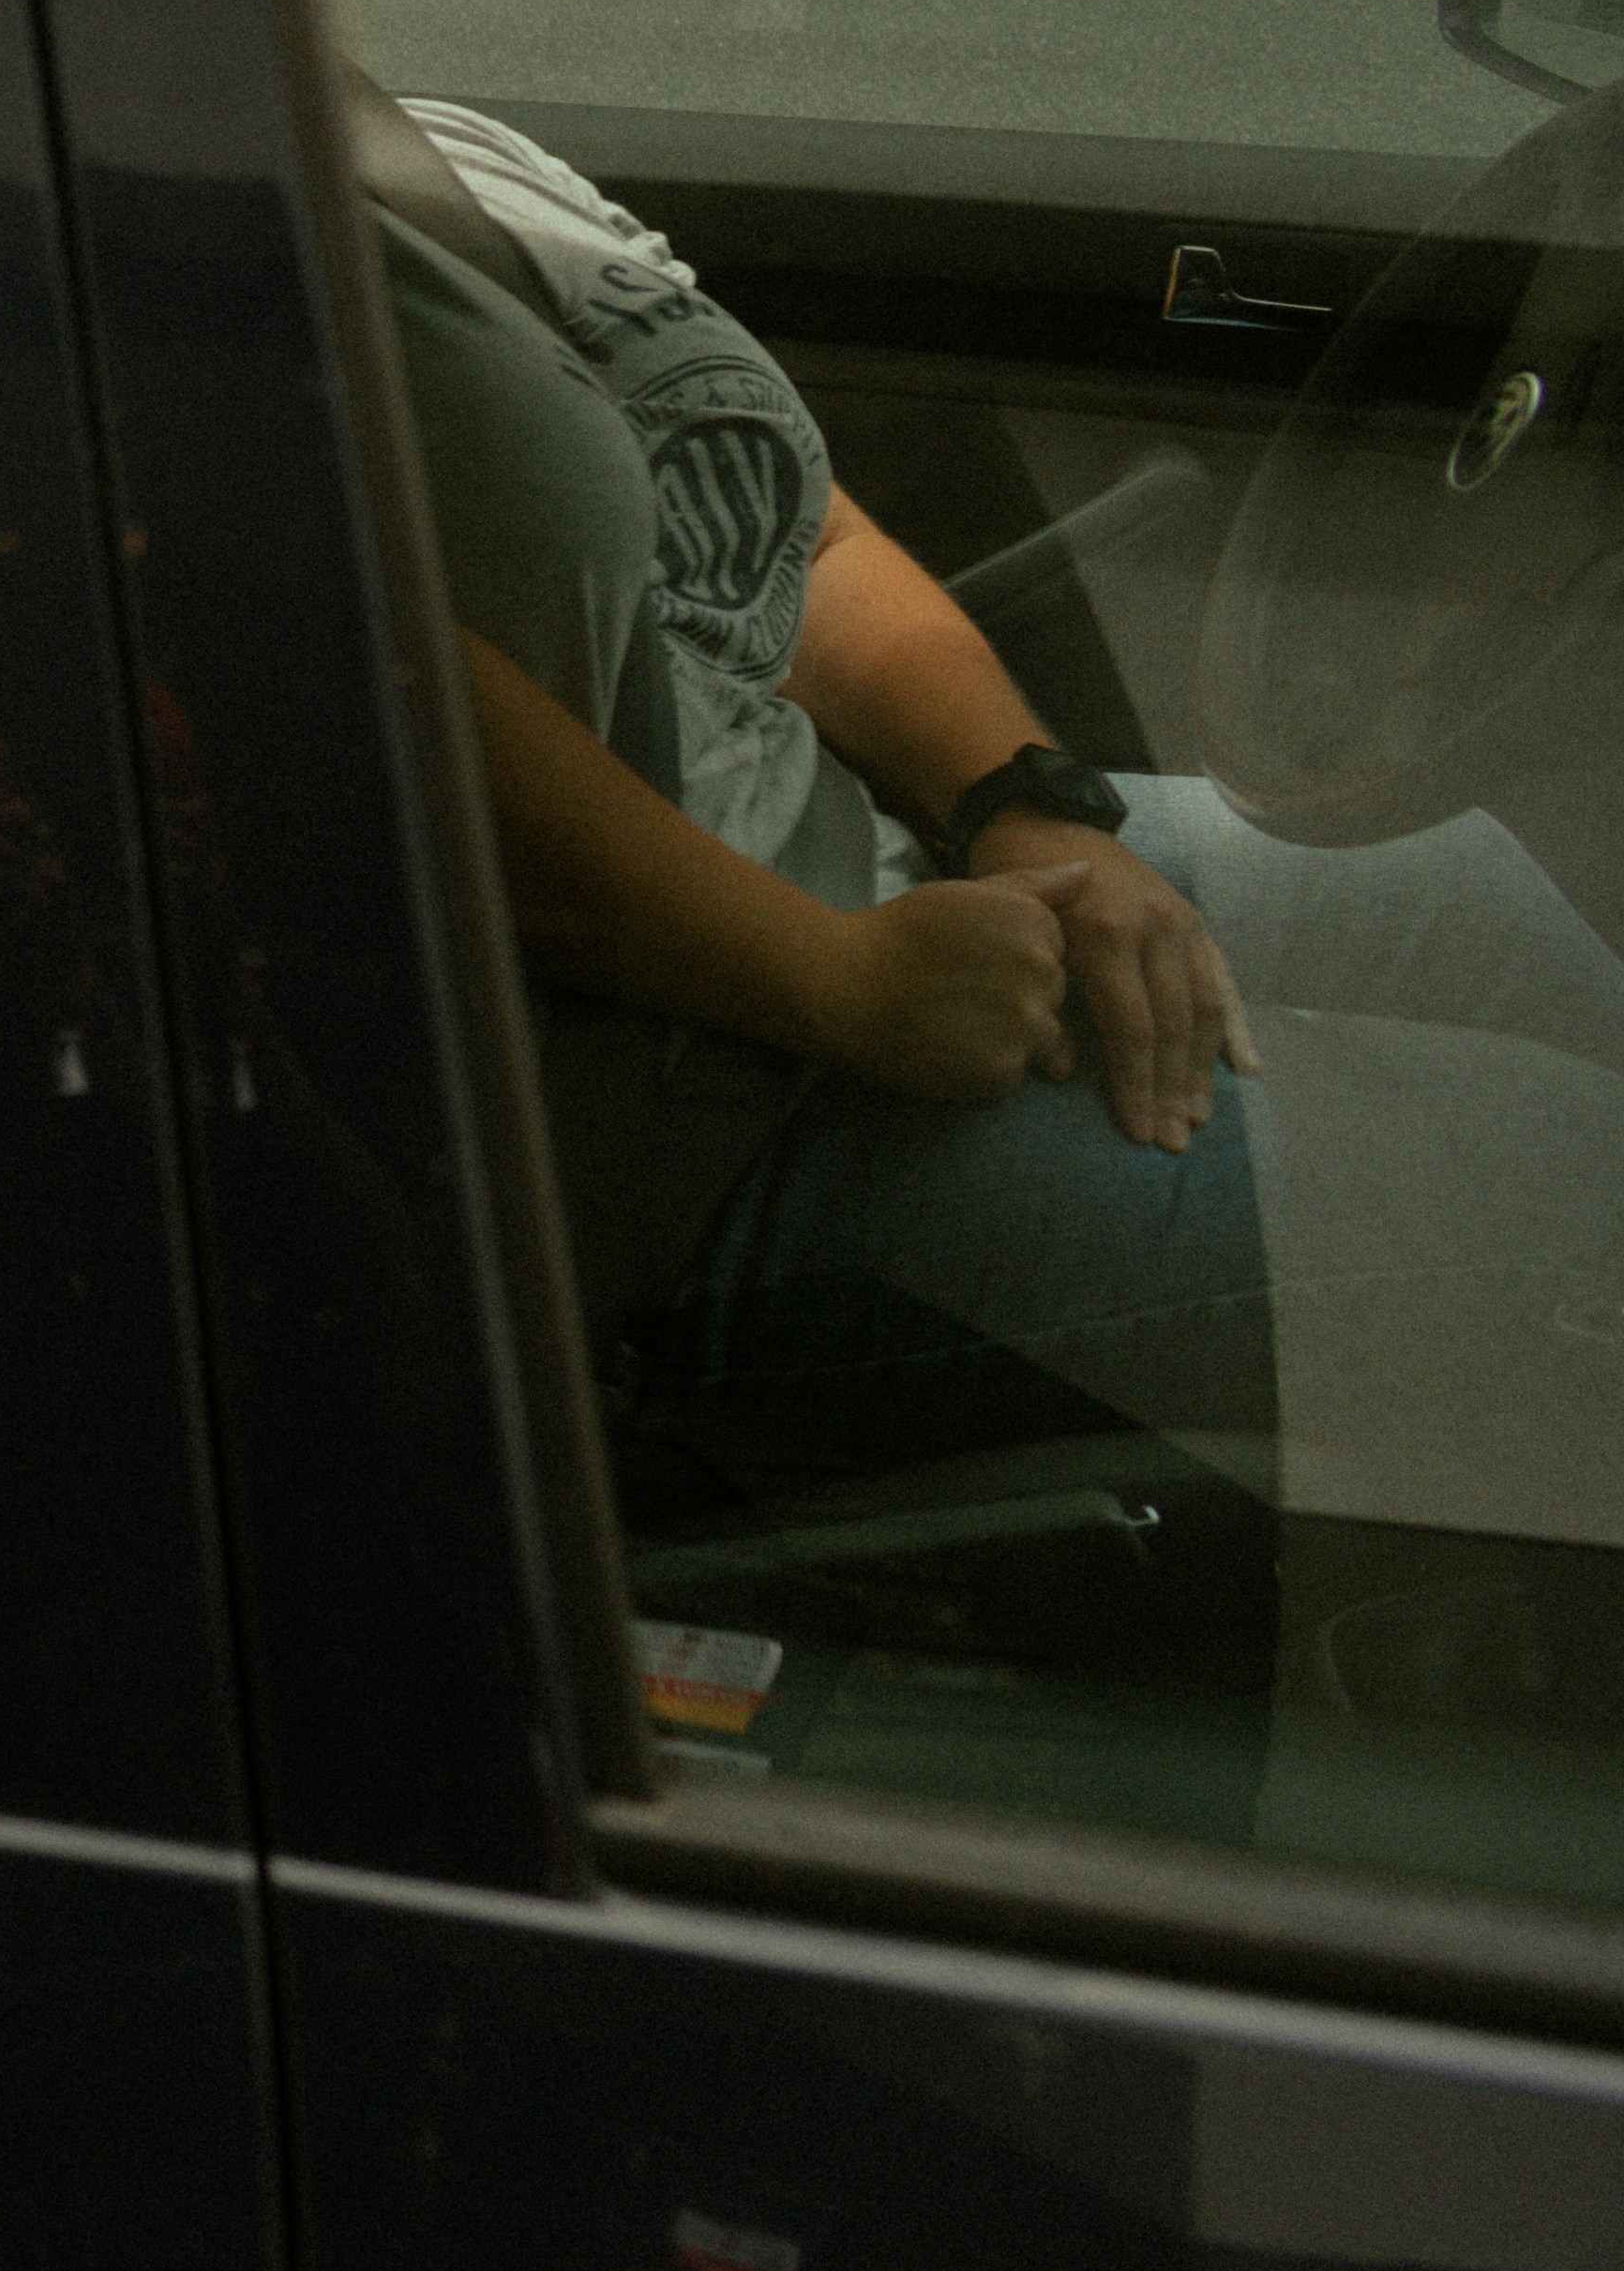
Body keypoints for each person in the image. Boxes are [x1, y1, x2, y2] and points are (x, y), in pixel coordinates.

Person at [374, 95, 1624, 1547]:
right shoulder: (166, 248)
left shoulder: (435, 146)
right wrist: (843, 983)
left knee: (1480, 893)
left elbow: (797, 536)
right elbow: (359, 733)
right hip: (666, 1132)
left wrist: (1029, 810)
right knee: (1579, 1174)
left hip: (846, 876)